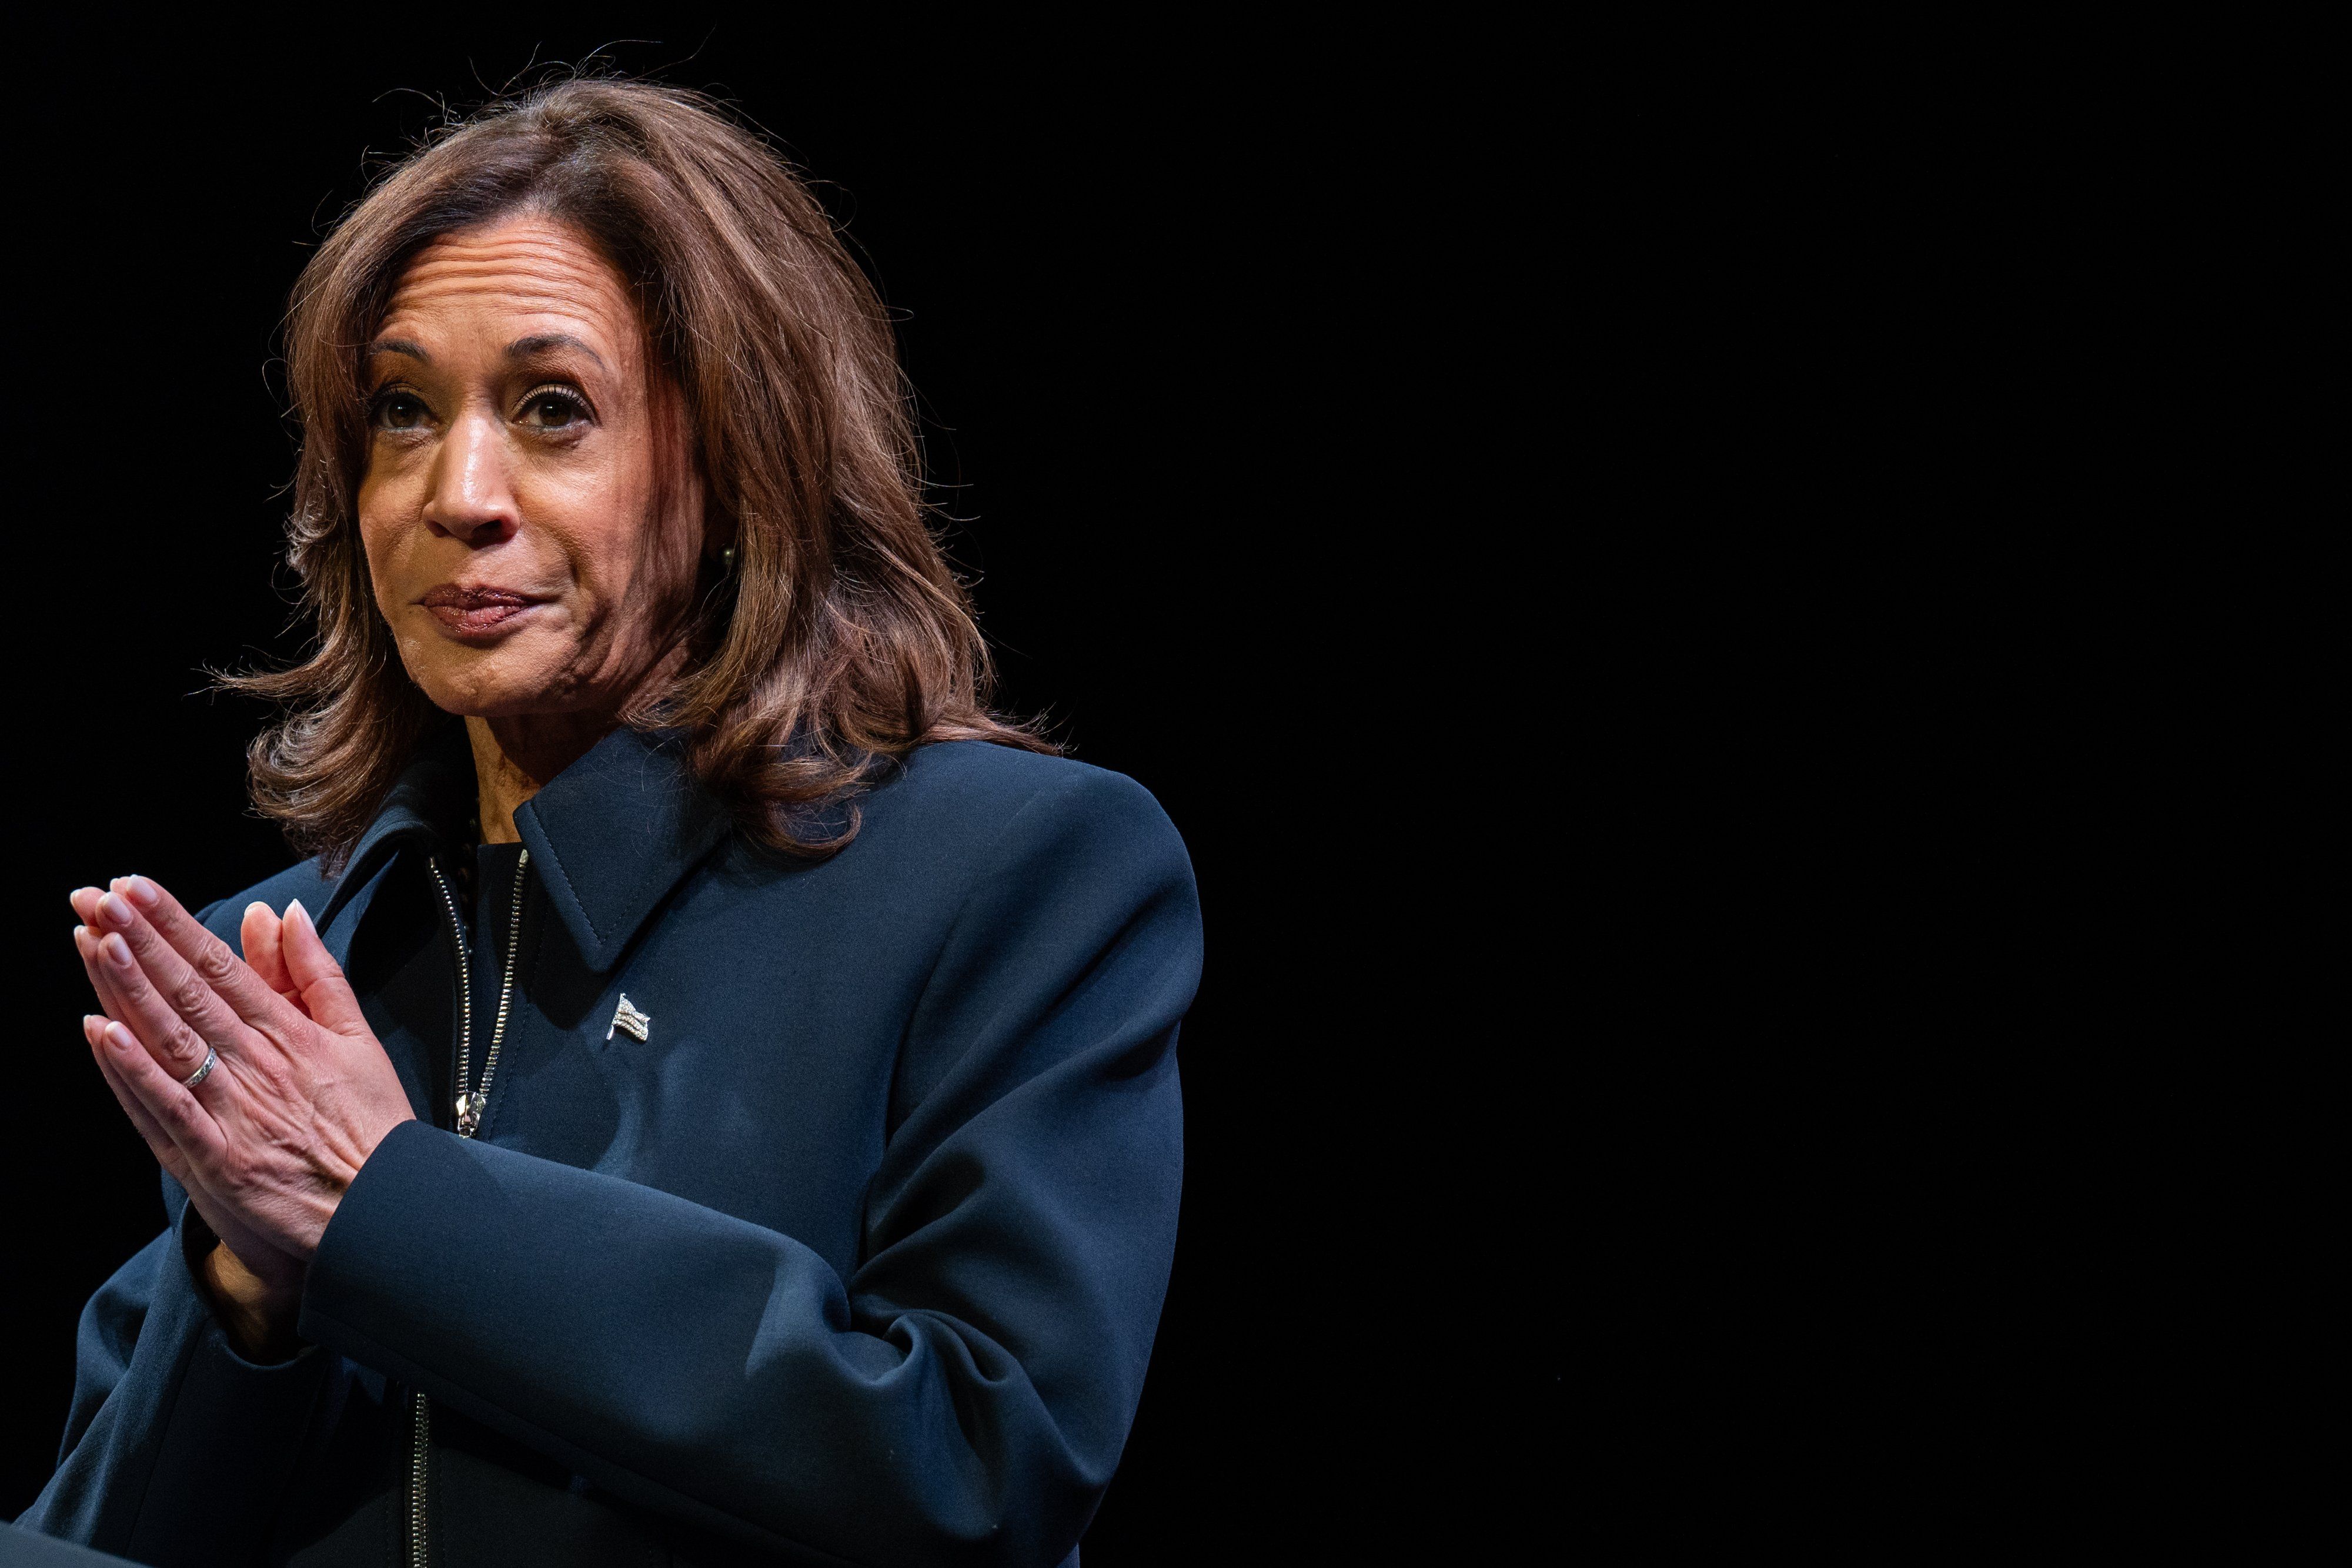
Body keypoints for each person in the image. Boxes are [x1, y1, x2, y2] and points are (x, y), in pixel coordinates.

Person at [22, 78, 1198, 1568]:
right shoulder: (288, 950)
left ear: (732, 466)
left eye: (552, 410)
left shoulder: (1012, 871)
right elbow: (106, 1541)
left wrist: (385, 1214)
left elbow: (982, 1465)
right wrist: (244, 1293)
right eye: (400, 410)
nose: (458, 493)